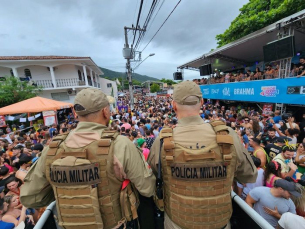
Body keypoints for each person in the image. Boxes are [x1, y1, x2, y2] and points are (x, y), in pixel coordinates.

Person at [20, 88, 156, 229]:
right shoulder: (120, 144)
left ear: (75, 113)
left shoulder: (53, 149)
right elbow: (147, 188)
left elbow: (30, 197)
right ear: (105, 111)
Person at [148, 81, 257, 229]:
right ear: (202, 102)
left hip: (177, 223)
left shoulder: (162, 141)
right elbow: (249, 175)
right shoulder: (227, 135)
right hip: (219, 223)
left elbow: (154, 178)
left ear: (173, 105)